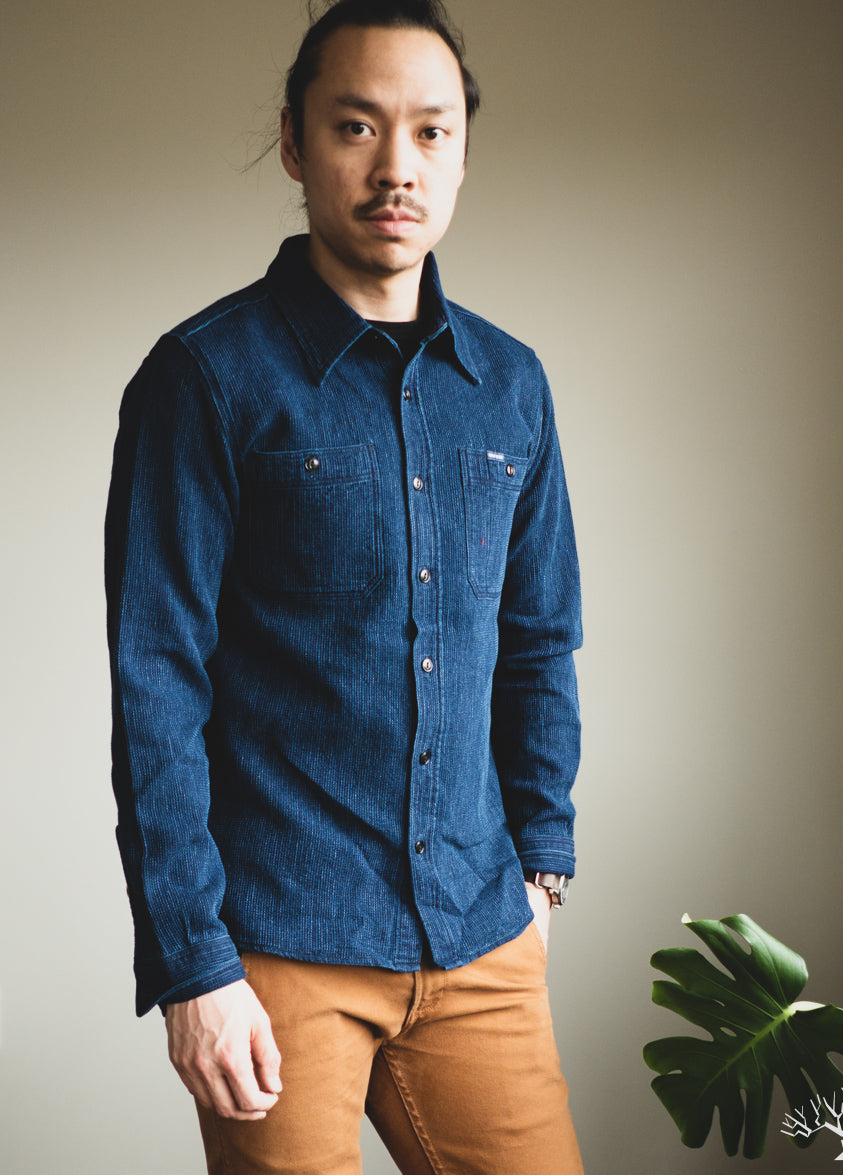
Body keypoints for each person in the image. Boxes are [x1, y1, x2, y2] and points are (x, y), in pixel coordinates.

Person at [105, 2, 583, 1171]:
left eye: (430, 131)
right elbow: (155, 680)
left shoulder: (510, 384)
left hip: (478, 932)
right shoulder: (205, 378)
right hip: (278, 946)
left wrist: (541, 867)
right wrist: (193, 964)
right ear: (294, 141)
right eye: (356, 126)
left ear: (461, 151)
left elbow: (537, 638)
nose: (395, 167)